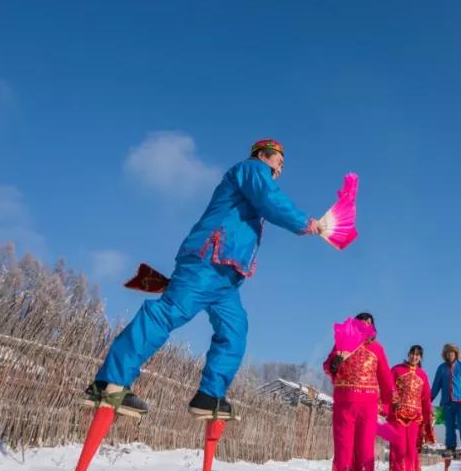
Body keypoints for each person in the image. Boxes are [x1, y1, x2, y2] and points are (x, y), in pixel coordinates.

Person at [87, 139, 320, 420]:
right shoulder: (252, 169)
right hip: (208, 258)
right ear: (263, 155)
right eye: (278, 161)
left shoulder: (256, 184)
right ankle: (109, 382)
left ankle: (209, 396)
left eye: (282, 164)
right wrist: (306, 223)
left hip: (228, 276)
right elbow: (271, 200)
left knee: (235, 329)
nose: (280, 167)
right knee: (170, 312)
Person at [323, 312, 395, 471]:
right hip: (344, 403)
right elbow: (329, 366)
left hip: (368, 406)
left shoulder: (377, 349)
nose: (365, 325)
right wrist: (335, 363)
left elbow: (386, 379)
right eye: (361, 322)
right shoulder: (341, 344)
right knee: (344, 449)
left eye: (369, 323)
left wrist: (388, 407)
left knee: (364, 449)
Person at [388, 345, 434, 471]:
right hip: (398, 415)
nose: (414, 357)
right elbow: (388, 387)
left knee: (410, 449)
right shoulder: (396, 370)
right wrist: (392, 403)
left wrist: (428, 418)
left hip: (415, 418)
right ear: (408, 354)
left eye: (417, 355)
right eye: (412, 354)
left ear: (420, 358)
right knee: (398, 447)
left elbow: (426, 399)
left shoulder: (423, 375)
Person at [430, 344, 461, 459]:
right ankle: (450, 448)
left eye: (452, 352)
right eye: (448, 353)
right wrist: (428, 399)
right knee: (449, 426)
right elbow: (436, 386)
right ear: (445, 355)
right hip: (447, 403)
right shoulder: (441, 368)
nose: (450, 355)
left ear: (456, 354)